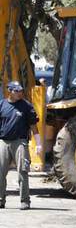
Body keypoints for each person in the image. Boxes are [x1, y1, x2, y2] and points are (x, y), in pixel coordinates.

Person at [0, 81, 42, 210]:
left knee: (22, 171)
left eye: (20, 91)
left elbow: (33, 126)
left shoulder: (26, 106)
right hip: (3, 141)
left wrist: (38, 144)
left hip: (20, 142)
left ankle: (25, 201)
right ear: (9, 91)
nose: (19, 93)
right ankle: (1, 200)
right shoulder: (2, 105)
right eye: (16, 91)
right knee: (0, 172)